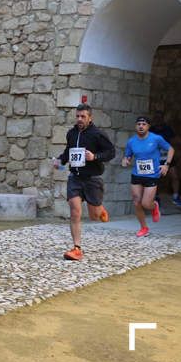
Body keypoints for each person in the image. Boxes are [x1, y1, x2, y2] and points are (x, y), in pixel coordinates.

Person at [53, 103, 115, 261]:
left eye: (83, 117)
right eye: (78, 116)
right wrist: (60, 160)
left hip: (93, 179)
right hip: (75, 178)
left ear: (90, 118)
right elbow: (69, 151)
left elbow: (111, 152)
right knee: (75, 211)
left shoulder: (97, 134)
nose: (79, 119)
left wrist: (95, 157)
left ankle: (100, 209)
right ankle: (77, 248)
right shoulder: (72, 133)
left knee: (94, 216)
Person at [121, 116, 174, 237]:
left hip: (152, 175)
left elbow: (171, 149)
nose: (141, 126)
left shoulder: (156, 139)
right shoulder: (131, 141)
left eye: (143, 124)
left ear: (148, 126)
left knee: (146, 204)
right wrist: (125, 160)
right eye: (139, 124)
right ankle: (144, 227)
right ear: (136, 126)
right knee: (136, 202)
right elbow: (127, 156)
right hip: (137, 174)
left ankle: (154, 205)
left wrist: (166, 165)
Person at [150, 110, 181, 207]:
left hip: (167, 156)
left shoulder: (167, 129)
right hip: (156, 157)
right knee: (156, 178)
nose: (158, 119)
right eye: (156, 117)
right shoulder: (151, 130)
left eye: (160, 117)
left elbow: (175, 140)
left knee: (174, 176)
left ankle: (176, 196)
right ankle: (155, 196)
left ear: (163, 118)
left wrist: (179, 148)